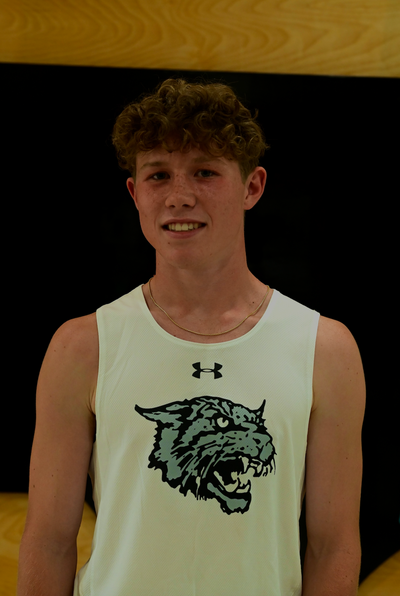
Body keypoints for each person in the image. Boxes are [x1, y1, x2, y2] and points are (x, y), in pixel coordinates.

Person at [17, 78, 366, 596]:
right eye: (158, 175)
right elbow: (48, 542)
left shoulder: (325, 349)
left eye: (205, 172)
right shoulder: (82, 347)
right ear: (135, 194)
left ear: (252, 187)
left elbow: (331, 547)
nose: (179, 197)